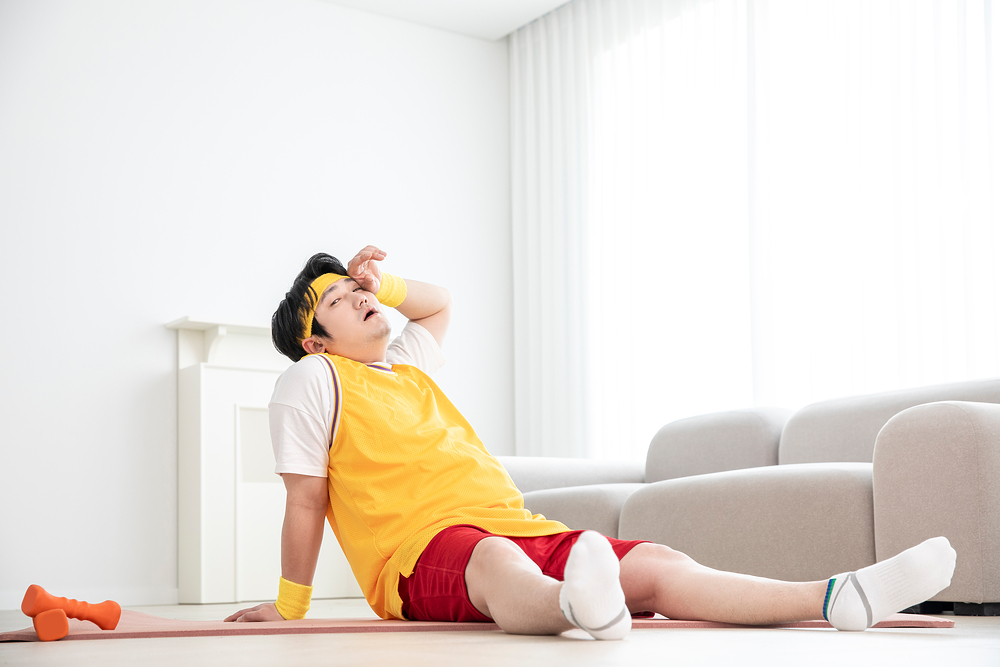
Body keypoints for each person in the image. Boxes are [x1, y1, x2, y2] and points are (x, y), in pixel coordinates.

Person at [225, 245, 957, 639]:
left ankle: (834, 597)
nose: (356, 295)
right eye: (336, 298)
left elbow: (439, 303)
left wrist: (381, 285)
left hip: (515, 525)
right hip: (419, 554)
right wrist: (290, 605)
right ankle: (577, 609)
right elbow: (306, 499)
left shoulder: (407, 364)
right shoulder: (314, 378)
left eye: (354, 287)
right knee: (496, 562)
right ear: (314, 340)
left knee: (659, 564)